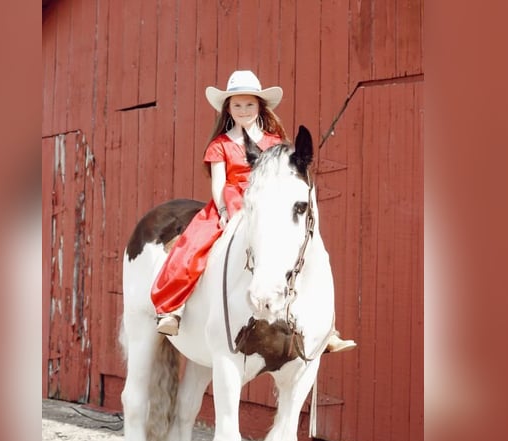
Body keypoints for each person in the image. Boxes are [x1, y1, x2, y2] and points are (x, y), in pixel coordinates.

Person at [151, 70, 355, 353]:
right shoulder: (220, 144)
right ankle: (172, 308)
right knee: (192, 246)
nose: (243, 110)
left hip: (269, 203)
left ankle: (325, 328)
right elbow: (219, 182)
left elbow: (285, 178)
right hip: (232, 199)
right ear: (228, 109)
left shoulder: (273, 142)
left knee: (310, 251)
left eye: (249, 104)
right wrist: (222, 209)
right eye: (237, 105)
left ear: (260, 106)